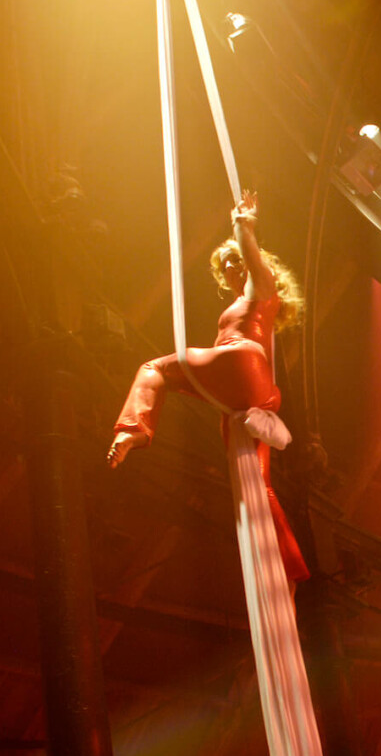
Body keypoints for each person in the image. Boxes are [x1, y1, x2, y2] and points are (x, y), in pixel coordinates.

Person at [108, 192, 309, 583]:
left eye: (238, 260)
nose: (234, 266)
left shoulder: (260, 289)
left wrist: (243, 225)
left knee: (154, 369)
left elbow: (252, 258)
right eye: (227, 264)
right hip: (253, 394)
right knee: (258, 482)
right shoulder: (254, 303)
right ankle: (288, 566)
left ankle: (133, 431)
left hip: (239, 365)